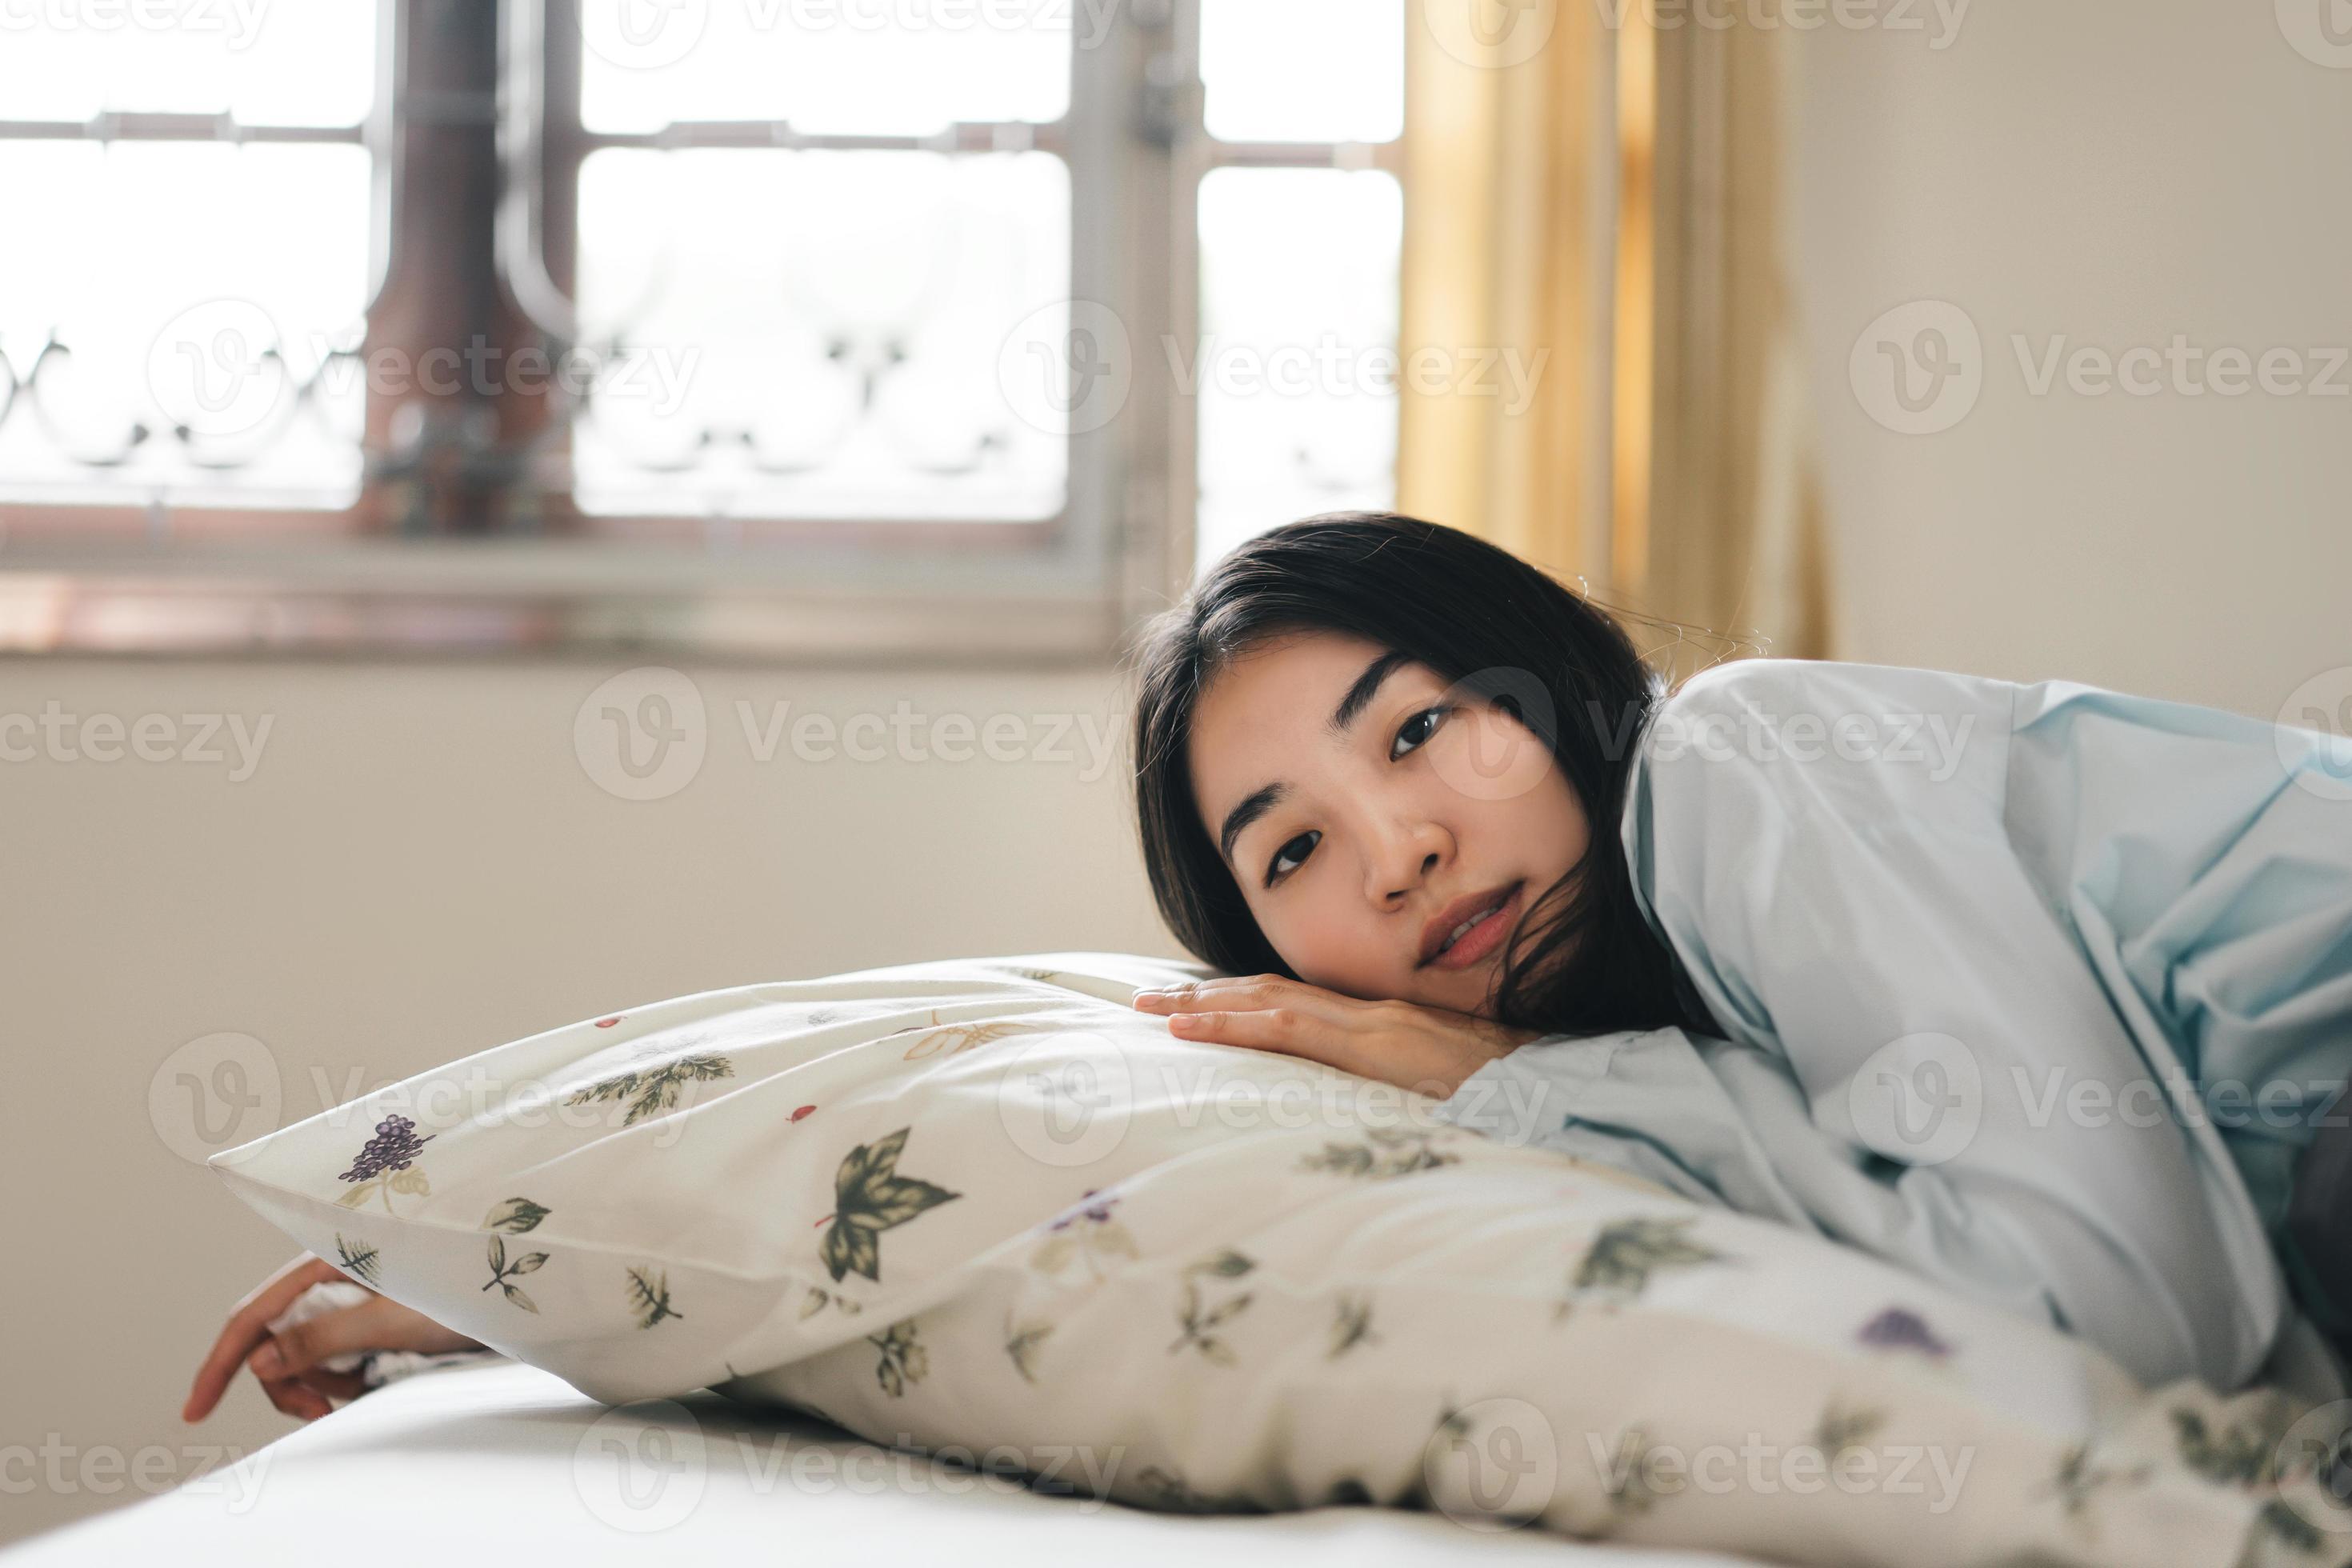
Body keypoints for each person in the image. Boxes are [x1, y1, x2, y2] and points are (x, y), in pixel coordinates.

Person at [1123, 510, 2352, 1397]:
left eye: (1421, 727)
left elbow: (2124, 1311)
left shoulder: (1731, 757)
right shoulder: (1668, 980)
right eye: (1290, 853)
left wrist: (1526, 1082)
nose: (1397, 854)